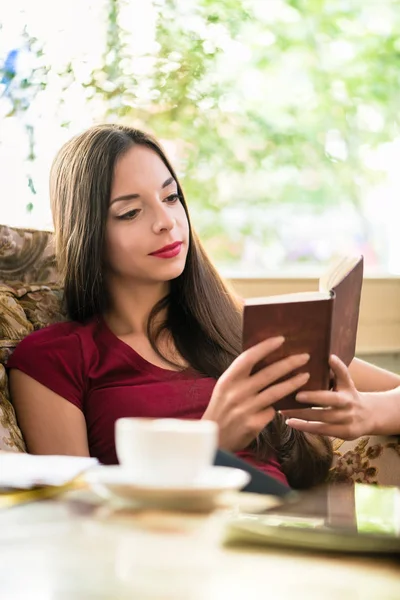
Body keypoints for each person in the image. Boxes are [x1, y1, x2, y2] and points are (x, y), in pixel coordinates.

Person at [7, 124, 400, 491]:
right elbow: (73, 514)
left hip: (285, 537)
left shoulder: (240, 326)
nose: (166, 222)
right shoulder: (54, 358)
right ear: (88, 231)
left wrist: (368, 412)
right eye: (130, 212)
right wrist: (209, 441)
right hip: (167, 554)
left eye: (171, 196)